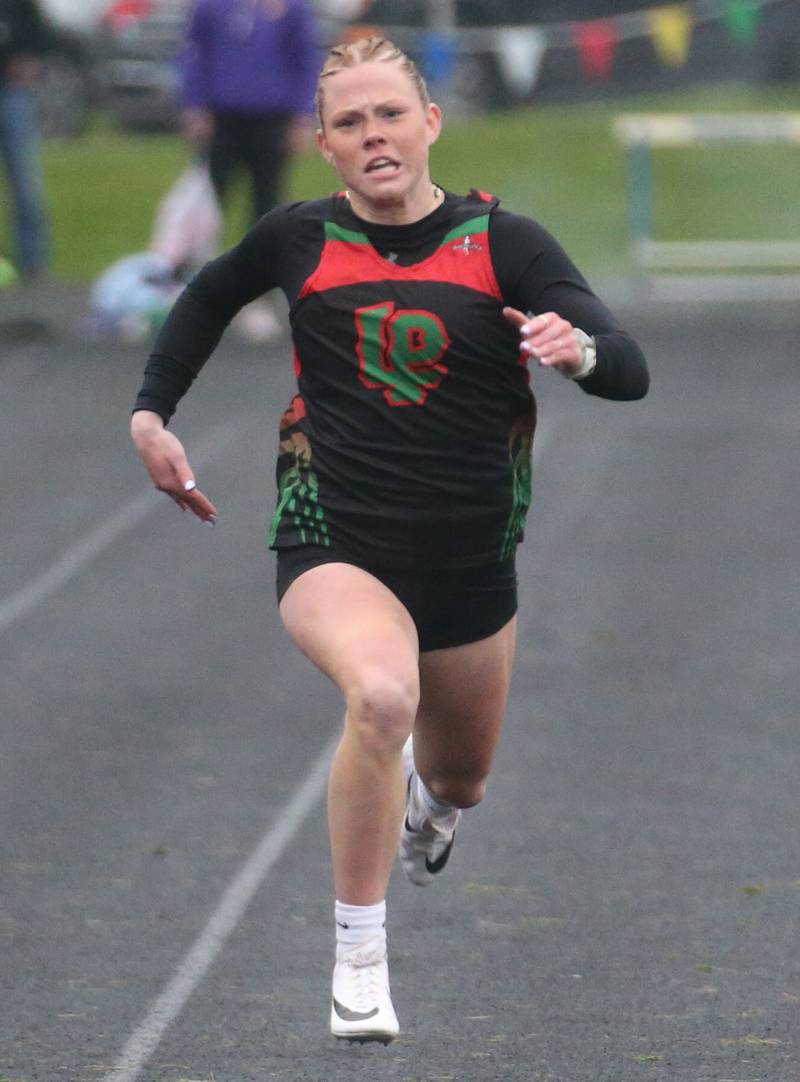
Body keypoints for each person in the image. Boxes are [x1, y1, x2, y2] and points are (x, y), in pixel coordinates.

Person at [131, 36, 649, 1044]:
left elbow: (626, 364)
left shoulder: (506, 244)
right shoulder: (295, 238)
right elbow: (204, 299)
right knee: (378, 695)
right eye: (350, 122)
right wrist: (152, 413)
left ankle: (428, 804)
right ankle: (358, 956)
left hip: (467, 558)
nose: (373, 134)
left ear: (429, 125)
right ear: (323, 144)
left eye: (389, 114)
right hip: (333, 535)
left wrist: (575, 347)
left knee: (460, 778)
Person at [179, 0, 320, 340]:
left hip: (271, 118)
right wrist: (194, 105)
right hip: (222, 116)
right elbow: (195, 52)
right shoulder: (211, 6)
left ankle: (259, 295)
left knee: (266, 207)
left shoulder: (293, 8)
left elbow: (304, 60)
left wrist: (303, 115)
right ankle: (198, 291)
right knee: (209, 204)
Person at [0, 0, 51, 280]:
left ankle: (33, 264)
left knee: (25, 181)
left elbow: (39, 34)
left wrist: (29, 62)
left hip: (11, 92)